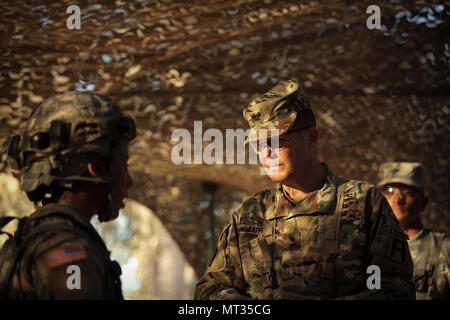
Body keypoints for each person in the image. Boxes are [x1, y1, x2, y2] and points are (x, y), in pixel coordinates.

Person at [195, 80, 415, 300]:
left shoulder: (364, 203)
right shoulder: (250, 213)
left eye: (276, 141)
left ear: (311, 138)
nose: (266, 153)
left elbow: (394, 288)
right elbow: (210, 289)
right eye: (258, 145)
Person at [0, 91, 135, 299]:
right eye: (124, 166)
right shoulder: (67, 250)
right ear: (97, 167)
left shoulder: (36, 235)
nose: (130, 182)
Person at [378, 162, 449, 300]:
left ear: (423, 202)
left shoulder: (442, 249)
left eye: (409, 192)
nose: (398, 200)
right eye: (390, 191)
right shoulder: (365, 245)